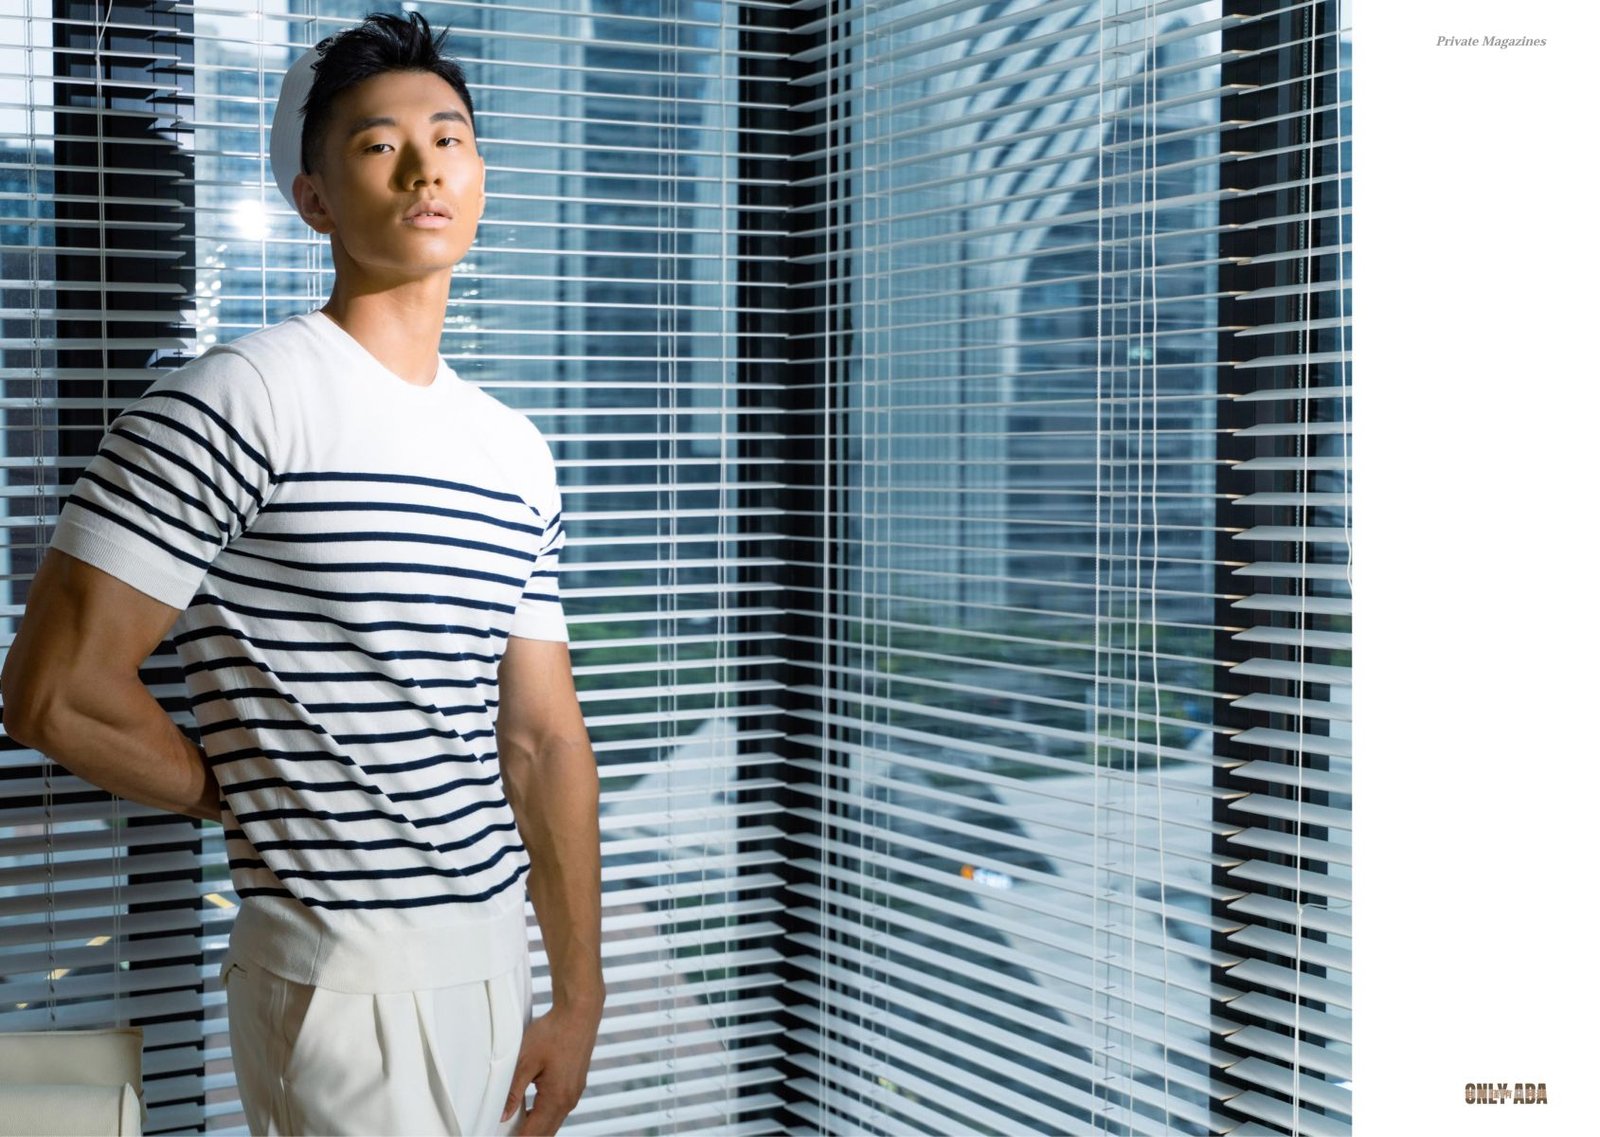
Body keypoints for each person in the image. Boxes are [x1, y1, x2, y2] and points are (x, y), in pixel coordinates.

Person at [0, 11, 604, 1135]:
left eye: (450, 137)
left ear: (480, 176)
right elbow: (54, 692)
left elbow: (543, 739)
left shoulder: (514, 450)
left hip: (494, 954)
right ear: (314, 199)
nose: (424, 167)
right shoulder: (240, 399)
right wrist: (246, 793)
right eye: (380, 144)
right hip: (342, 973)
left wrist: (577, 997)